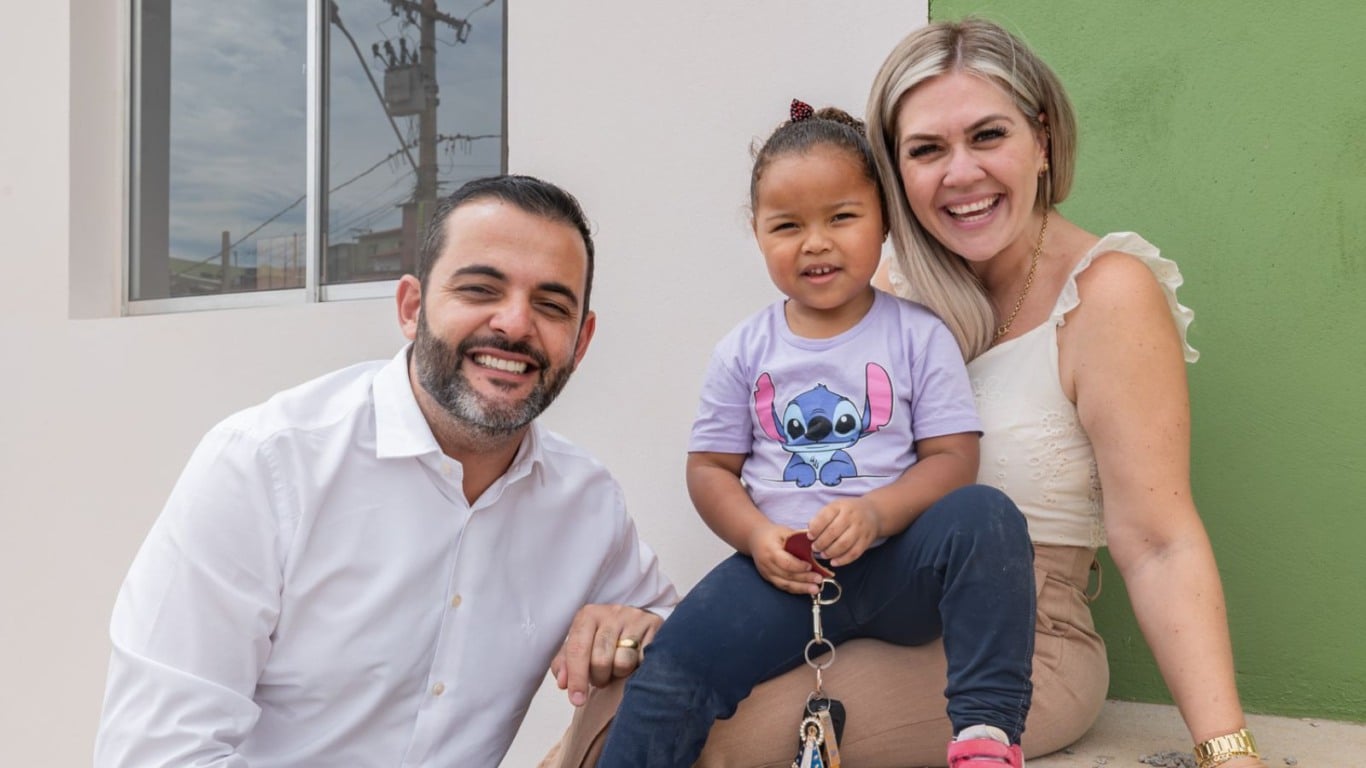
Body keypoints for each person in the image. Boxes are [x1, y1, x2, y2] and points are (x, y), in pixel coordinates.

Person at [544, 18, 1267, 768]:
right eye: (927, 149)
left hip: (1019, 637)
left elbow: (1156, 542)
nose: (960, 173)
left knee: (725, 739)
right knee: (634, 691)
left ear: (1042, 139)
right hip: (839, 595)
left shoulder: (1108, 294)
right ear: (894, 175)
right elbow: (738, 471)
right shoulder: (885, 292)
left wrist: (1227, 748)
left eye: (987, 135)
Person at [94, 174, 679, 768]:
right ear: (411, 308)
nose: (515, 324)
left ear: (581, 343)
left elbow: (677, 630)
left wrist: (638, 626)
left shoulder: (585, 504)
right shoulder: (267, 465)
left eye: (551, 306)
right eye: (480, 289)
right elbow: (155, 752)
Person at [590, 102, 1036, 768]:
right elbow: (710, 467)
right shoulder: (745, 350)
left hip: (896, 567)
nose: (816, 242)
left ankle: (985, 738)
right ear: (757, 231)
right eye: (787, 225)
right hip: (784, 575)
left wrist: (878, 511)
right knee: (676, 656)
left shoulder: (917, 335)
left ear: (883, 218)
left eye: (842, 217)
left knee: (987, 517)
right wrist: (756, 538)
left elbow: (952, 457)